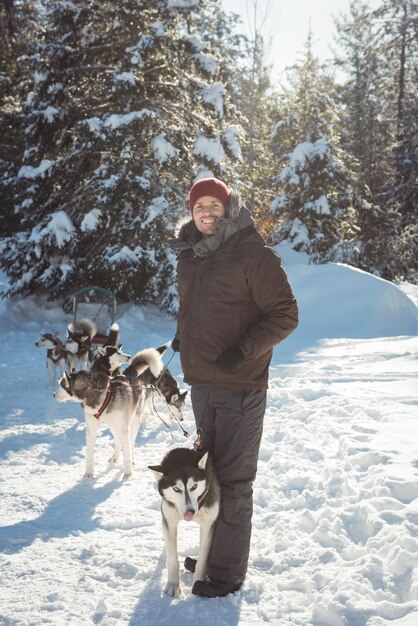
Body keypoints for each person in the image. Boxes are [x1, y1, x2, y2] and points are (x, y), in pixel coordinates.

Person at [171, 177, 298, 598]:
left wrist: (243, 350)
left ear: (228, 207)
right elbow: (195, 310)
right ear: (191, 212)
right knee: (210, 475)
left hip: (240, 384)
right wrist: (182, 336)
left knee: (236, 479)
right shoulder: (191, 256)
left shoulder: (252, 255)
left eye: (214, 204)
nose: (207, 212)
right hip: (203, 383)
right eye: (199, 206)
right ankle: (211, 554)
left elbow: (285, 314)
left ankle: (226, 572)